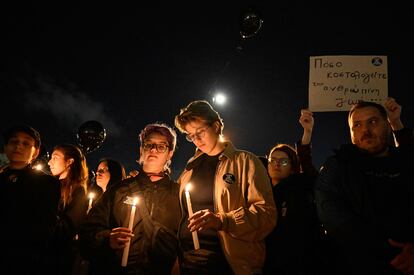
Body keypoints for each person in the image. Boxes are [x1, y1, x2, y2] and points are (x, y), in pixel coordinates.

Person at [174, 100, 276, 275]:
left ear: (216, 126)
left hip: (228, 264)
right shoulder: (189, 169)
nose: (196, 140)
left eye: (200, 132)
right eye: (190, 135)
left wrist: (223, 220)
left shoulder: (246, 162)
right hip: (189, 262)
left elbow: (266, 214)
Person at [315, 97, 414, 274]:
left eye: (373, 121)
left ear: (387, 124)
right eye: (357, 125)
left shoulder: (404, 165)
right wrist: (390, 253)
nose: (365, 130)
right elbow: (334, 217)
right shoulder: (337, 167)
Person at [80, 123, 181, 275]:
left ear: (170, 153)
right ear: (141, 150)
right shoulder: (119, 190)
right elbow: (88, 233)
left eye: (161, 146)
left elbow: (186, 242)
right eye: (149, 145)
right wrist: (107, 239)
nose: (153, 150)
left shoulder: (178, 194)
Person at [263, 109, 323, 274]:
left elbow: (309, 171)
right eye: (272, 160)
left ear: (292, 166)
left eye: (283, 161)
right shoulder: (260, 192)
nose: (276, 165)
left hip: (298, 262)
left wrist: (307, 132)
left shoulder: (299, 188)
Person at [0, 125, 61, 274]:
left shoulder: (47, 183)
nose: (18, 146)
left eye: (26, 143)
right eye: (13, 141)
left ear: (36, 152)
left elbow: (45, 227)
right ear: (6, 147)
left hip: (23, 260)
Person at [48, 143, 89, 275]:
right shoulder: (49, 185)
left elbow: (68, 228)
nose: (49, 162)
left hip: (58, 257)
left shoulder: (78, 192)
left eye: (55, 157)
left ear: (69, 162)